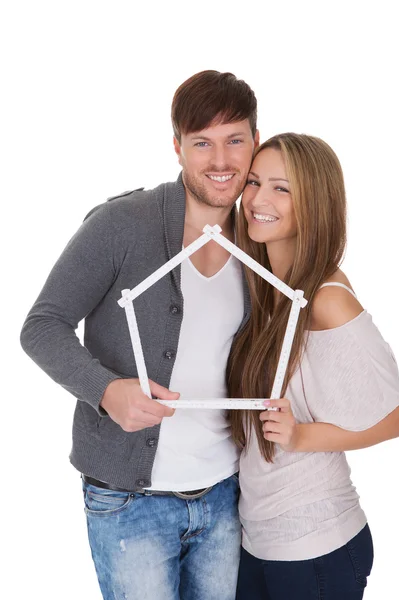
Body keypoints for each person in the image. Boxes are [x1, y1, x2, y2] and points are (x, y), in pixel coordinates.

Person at [20, 70, 259, 600]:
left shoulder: (257, 239)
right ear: (177, 147)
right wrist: (106, 391)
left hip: (225, 496)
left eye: (234, 140)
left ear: (254, 143)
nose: (221, 161)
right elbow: (41, 325)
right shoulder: (121, 224)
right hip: (130, 502)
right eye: (202, 143)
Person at [227, 133, 399, 600]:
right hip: (256, 539)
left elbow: (395, 419)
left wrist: (301, 436)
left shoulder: (327, 300)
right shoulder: (264, 287)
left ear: (315, 204)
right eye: (253, 182)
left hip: (317, 549)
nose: (257, 200)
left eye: (281, 188)